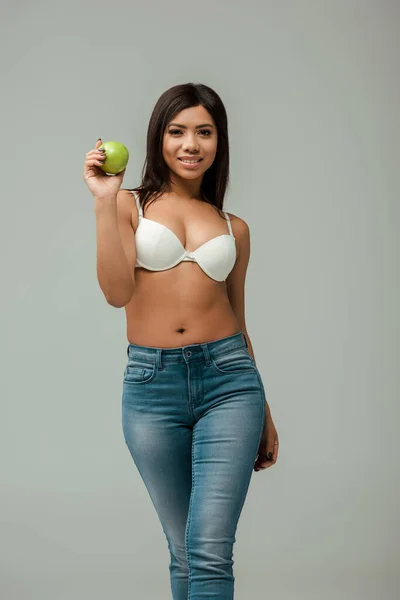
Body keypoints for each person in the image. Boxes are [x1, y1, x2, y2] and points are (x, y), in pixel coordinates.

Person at [83, 82, 279, 600]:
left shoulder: (233, 227)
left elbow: (238, 317)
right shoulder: (130, 205)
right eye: (177, 131)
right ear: (159, 138)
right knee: (184, 550)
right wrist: (105, 203)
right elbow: (115, 292)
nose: (191, 145)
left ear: (219, 142)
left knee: (210, 548)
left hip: (231, 384)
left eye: (204, 132)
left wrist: (266, 410)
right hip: (152, 388)